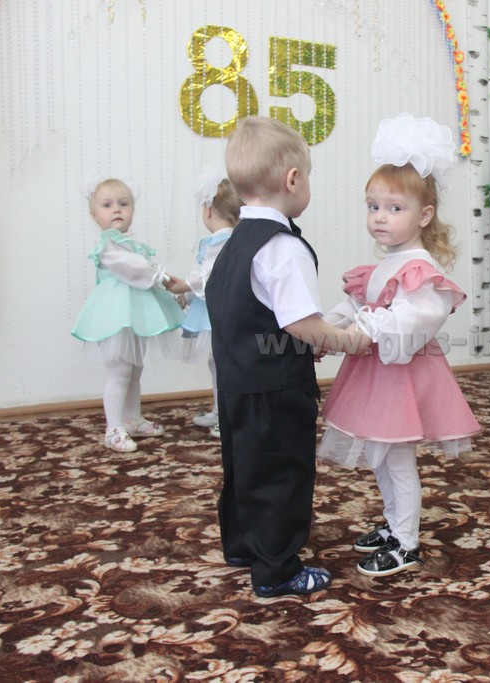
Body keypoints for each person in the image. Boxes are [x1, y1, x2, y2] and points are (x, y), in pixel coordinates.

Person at [204, 116, 369, 598]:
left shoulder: (235, 242)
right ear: (293, 179)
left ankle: (243, 545)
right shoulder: (282, 247)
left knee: (243, 467)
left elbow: (254, 314)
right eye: (308, 176)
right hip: (275, 389)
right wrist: (349, 340)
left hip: (235, 383)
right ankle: (276, 570)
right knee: (281, 473)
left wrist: (302, 340)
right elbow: (300, 322)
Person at [318, 114, 481, 578]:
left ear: (424, 215)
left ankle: (406, 542)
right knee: (381, 457)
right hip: (377, 376)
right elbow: (358, 303)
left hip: (402, 378)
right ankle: (394, 525)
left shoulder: (419, 268)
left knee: (397, 459)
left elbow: (418, 317)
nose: (380, 217)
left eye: (394, 208)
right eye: (373, 206)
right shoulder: (384, 265)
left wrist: (366, 331)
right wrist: (328, 328)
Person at [71, 178, 184, 453]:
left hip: (134, 313)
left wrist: (169, 288)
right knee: (120, 370)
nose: (117, 210)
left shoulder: (131, 242)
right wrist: (162, 277)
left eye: (124, 204)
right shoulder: (108, 244)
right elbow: (134, 269)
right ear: (94, 214)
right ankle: (113, 428)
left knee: (134, 367)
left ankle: (132, 418)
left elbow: (144, 268)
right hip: (116, 315)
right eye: (107, 205)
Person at [165, 171, 243, 439]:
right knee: (217, 363)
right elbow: (204, 274)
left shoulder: (223, 241)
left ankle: (228, 416)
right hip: (216, 310)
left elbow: (210, 274)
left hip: (220, 314)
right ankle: (221, 410)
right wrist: (186, 296)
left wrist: (185, 286)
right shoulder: (223, 240)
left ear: (208, 210)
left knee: (222, 364)